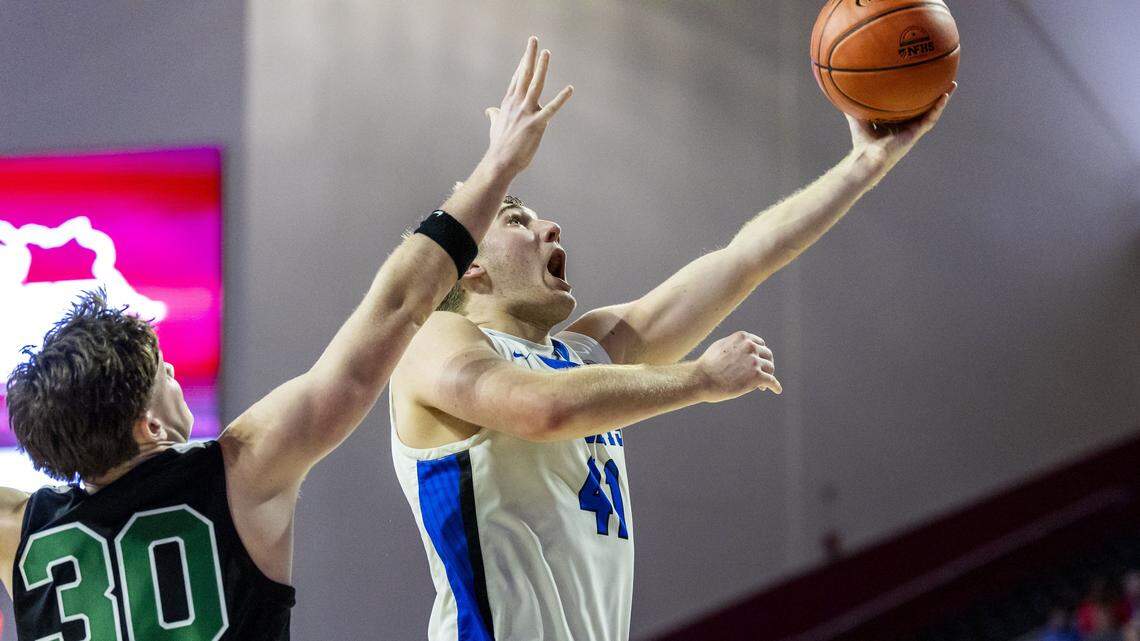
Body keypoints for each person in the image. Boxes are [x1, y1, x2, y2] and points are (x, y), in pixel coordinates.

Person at [0, 36, 571, 640]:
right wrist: (497, 166)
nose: (173, 375)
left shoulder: (19, 531)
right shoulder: (238, 473)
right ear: (149, 426)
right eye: (162, 368)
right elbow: (398, 307)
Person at [389, 74, 955, 640]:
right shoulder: (433, 338)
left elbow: (745, 258)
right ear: (470, 267)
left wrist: (866, 163)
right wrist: (699, 378)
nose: (549, 225)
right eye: (517, 221)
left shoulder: (583, 353)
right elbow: (541, 410)